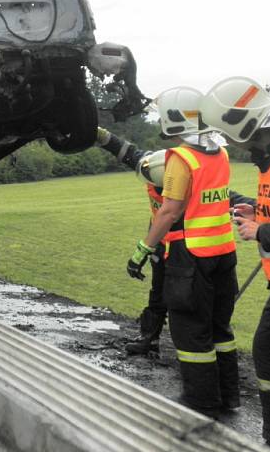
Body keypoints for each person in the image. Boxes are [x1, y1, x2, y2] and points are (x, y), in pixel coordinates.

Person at [201, 77, 270, 451]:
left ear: (245, 125)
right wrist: (257, 209)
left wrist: (262, 231)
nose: (228, 142)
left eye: (227, 133)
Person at [134, 86, 239, 418]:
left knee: (192, 332)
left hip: (191, 257)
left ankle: (201, 402)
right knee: (220, 329)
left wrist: (143, 249)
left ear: (173, 117)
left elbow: (169, 211)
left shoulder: (182, 158)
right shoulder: (220, 154)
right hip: (224, 252)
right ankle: (229, 396)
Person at [96, 127, 171, 355]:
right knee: (157, 292)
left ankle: (196, 343)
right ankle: (149, 338)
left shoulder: (187, 182)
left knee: (181, 297)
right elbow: (125, 150)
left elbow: (228, 198)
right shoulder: (151, 165)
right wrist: (97, 133)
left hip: (187, 249)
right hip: (160, 241)